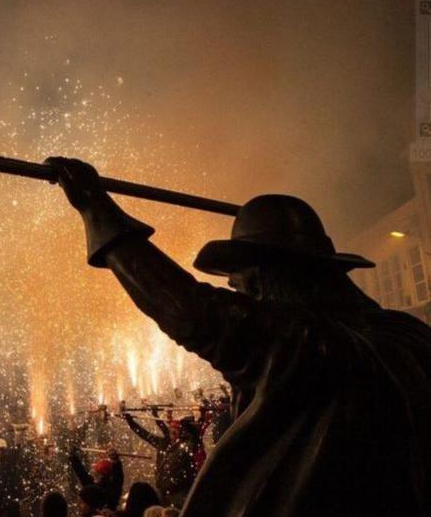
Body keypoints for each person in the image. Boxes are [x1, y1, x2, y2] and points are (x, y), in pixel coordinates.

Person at [47, 157, 431, 516]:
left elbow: (190, 310)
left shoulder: (310, 345)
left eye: (241, 287)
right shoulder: (411, 338)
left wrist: (95, 208)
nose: (242, 298)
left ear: (264, 280)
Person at [120, 414, 195, 507]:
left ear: (182, 432)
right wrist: (131, 422)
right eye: (172, 429)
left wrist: (189, 426)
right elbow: (144, 434)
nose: (174, 431)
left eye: (177, 429)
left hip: (178, 493)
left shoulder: (186, 446)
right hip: (162, 490)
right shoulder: (162, 444)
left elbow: (194, 436)